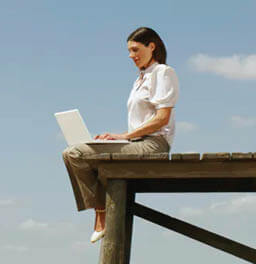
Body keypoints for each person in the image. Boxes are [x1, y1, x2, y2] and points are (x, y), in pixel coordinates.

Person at [62, 27, 179, 243]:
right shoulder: (140, 79)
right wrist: (119, 137)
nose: (131, 56)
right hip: (137, 141)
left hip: (154, 144)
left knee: (77, 153)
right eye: (129, 51)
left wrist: (124, 136)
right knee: (72, 153)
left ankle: (102, 212)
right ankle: (102, 209)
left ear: (151, 46)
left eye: (135, 50)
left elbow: (162, 118)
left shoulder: (163, 73)